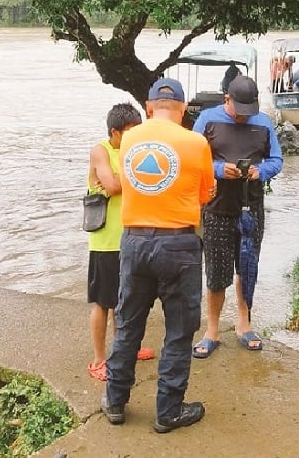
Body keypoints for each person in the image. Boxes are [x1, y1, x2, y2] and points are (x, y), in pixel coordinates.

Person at [102, 77, 216, 433]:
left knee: (128, 325)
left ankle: (116, 401)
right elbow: (205, 195)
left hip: (134, 243)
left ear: (149, 107)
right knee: (179, 332)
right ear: (182, 110)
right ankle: (168, 411)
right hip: (178, 246)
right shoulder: (197, 142)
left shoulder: (130, 138)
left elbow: (131, 183)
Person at [191, 75, 283, 358]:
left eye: (249, 112)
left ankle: (244, 324)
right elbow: (193, 159)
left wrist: (261, 171)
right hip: (216, 208)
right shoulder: (207, 120)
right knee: (216, 272)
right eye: (238, 110)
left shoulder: (264, 123)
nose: (244, 117)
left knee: (247, 266)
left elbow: (276, 160)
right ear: (226, 100)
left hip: (250, 208)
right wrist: (219, 169)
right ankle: (213, 330)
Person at [86, 103, 155, 381]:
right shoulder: (100, 150)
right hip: (105, 241)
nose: (134, 136)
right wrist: (138, 177)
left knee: (127, 299)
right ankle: (99, 359)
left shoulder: (134, 150)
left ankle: (125, 348)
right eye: (129, 132)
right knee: (103, 302)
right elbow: (112, 187)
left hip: (132, 237)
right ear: (115, 132)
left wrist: (122, 180)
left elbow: (121, 183)